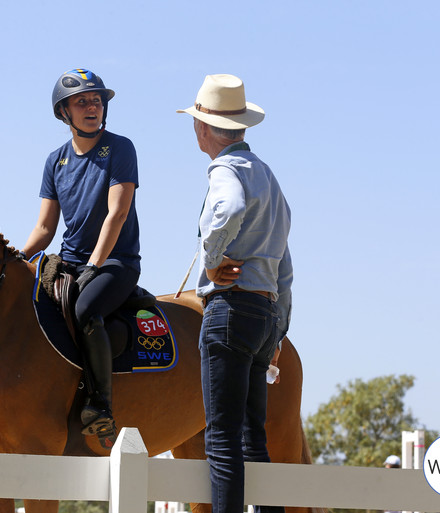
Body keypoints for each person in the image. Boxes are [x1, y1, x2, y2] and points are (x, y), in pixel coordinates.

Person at [177, 74, 293, 513]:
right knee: (252, 438)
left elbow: (229, 209)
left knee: (221, 439)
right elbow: (286, 266)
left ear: (202, 127)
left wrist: (210, 259)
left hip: (229, 309)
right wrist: (278, 330)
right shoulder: (268, 177)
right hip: (264, 314)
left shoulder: (225, 170)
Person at [22, 68, 141, 446]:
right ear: (64, 113)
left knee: (86, 310)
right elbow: (44, 229)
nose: (92, 107)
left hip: (116, 262)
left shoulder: (121, 148)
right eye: (82, 101)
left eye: (97, 100)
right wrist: (13, 259)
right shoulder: (54, 161)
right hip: (71, 262)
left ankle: (100, 405)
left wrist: (94, 265)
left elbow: (117, 214)